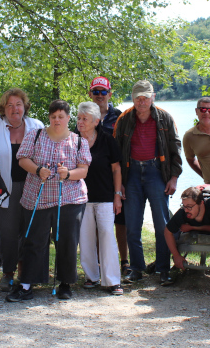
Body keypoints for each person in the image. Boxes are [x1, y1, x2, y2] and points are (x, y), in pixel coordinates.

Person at [7, 100, 91, 302]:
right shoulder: (35, 135)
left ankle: (65, 283)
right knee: (34, 241)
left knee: (67, 242)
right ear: (49, 118)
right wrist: (37, 170)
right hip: (37, 197)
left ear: (68, 118)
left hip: (69, 199)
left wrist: (68, 173)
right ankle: (27, 284)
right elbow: (22, 159)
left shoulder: (78, 141)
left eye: (61, 116)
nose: (57, 120)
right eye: (53, 116)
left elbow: (84, 170)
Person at [113, 80, 182, 286]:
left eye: (145, 97)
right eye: (138, 98)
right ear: (133, 99)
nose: (142, 102)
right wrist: (120, 184)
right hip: (131, 173)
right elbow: (116, 153)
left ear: (153, 97)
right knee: (133, 224)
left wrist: (174, 177)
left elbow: (175, 148)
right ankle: (136, 268)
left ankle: (163, 268)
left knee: (162, 223)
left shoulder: (165, 118)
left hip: (156, 172)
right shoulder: (124, 119)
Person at [0, 88, 45, 292]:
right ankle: (7, 273)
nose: (14, 108)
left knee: (29, 231)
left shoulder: (37, 126)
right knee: (7, 232)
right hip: (4, 188)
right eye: (9, 105)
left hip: (33, 186)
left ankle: (26, 274)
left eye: (18, 104)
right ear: (3, 108)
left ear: (24, 106)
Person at [76, 102, 123, 295]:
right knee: (85, 238)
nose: (80, 122)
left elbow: (116, 169)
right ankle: (91, 277)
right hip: (80, 197)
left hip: (105, 196)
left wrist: (117, 195)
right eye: (78, 118)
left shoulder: (107, 140)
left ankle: (112, 280)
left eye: (84, 119)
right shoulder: (73, 140)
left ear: (96, 121)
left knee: (106, 235)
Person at [87, 76, 129, 275]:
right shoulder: (84, 118)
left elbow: (126, 149)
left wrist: (122, 184)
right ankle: (97, 264)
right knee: (96, 223)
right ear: (90, 94)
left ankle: (124, 261)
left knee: (120, 221)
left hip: (117, 173)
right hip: (93, 178)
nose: (99, 96)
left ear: (110, 94)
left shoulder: (120, 117)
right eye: (96, 91)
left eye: (103, 92)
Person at [164, 186, 210, 272]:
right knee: (174, 236)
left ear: (201, 203)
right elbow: (168, 232)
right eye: (184, 206)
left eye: (189, 206)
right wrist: (176, 255)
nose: (186, 210)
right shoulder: (184, 212)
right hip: (203, 226)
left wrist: (191, 227)